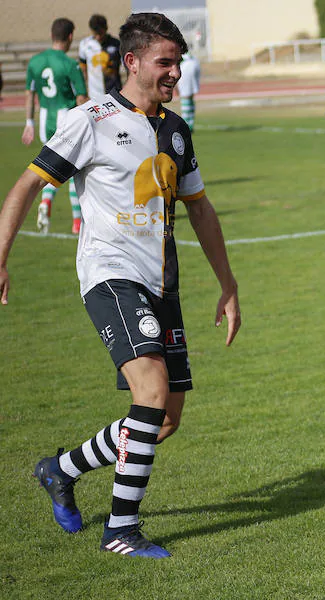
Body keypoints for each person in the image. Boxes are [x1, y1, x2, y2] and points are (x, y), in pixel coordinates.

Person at [0, 12, 241, 558]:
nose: (175, 73)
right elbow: (25, 185)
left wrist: (228, 285)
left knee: (164, 420)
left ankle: (59, 470)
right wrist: (2, 256)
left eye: (178, 62)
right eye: (165, 62)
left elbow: (200, 211)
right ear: (131, 62)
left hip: (163, 283)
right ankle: (121, 532)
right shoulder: (91, 120)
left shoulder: (177, 131)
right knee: (150, 393)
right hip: (110, 275)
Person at [23, 18, 88, 235]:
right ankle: (77, 222)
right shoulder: (70, 65)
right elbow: (81, 98)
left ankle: (46, 202)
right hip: (66, 120)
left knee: (50, 166)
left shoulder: (35, 62)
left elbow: (29, 94)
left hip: (44, 120)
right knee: (73, 169)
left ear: (52, 35)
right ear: (70, 37)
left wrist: (29, 122)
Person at [78, 14, 123, 101]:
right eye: (96, 34)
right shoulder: (85, 44)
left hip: (114, 92)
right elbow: (83, 69)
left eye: (101, 33)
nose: (98, 37)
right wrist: (84, 91)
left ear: (106, 28)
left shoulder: (116, 44)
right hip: (94, 95)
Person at [177, 47, 201, 130]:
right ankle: (190, 123)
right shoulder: (190, 55)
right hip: (195, 63)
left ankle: (186, 124)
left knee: (185, 97)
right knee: (190, 97)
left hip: (185, 67)